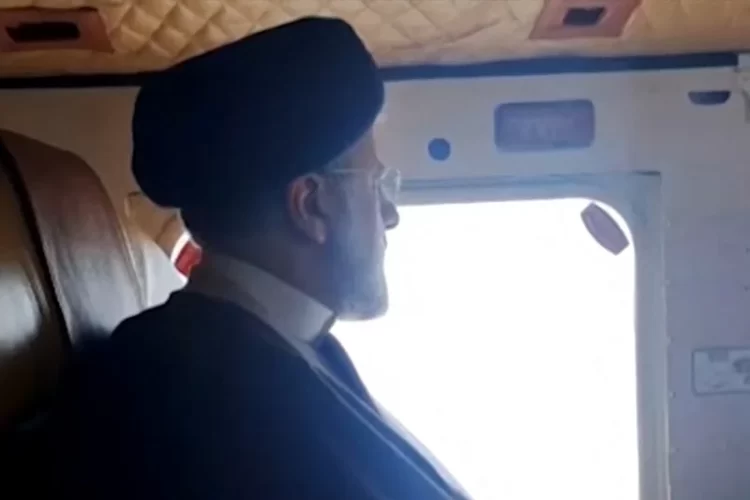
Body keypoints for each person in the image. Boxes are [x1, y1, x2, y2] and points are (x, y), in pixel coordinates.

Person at [52, 16, 469, 500]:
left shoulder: (281, 346)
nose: (390, 215)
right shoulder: (195, 394)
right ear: (311, 206)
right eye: (376, 185)